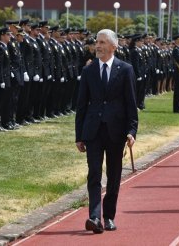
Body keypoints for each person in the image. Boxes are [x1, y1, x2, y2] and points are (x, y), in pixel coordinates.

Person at [75, 29, 138, 233]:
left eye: (102, 42)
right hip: (93, 131)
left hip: (116, 131)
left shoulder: (126, 69)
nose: (98, 46)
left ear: (113, 46)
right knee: (94, 173)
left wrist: (132, 131)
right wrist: (79, 136)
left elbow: (131, 104)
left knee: (114, 175)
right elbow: (82, 105)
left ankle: (109, 216)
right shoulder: (88, 71)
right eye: (97, 42)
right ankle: (94, 216)